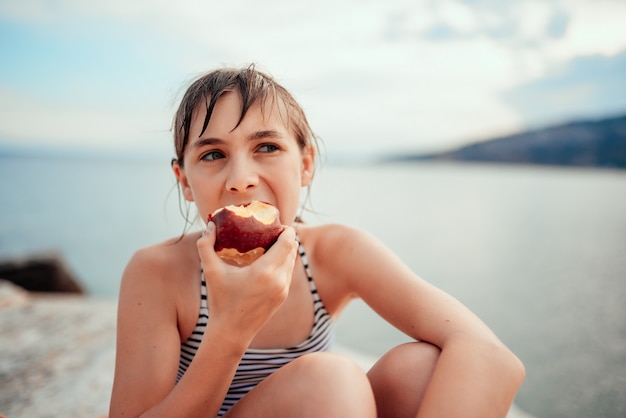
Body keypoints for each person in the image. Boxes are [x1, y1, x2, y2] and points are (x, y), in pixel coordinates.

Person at [109, 64, 525, 418]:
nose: (241, 180)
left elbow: (489, 355)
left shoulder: (333, 254)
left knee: (423, 368)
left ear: (305, 164)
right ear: (184, 181)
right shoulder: (158, 272)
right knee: (328, 380)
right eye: (212, 155)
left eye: (267, 147)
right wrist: (230, 329)